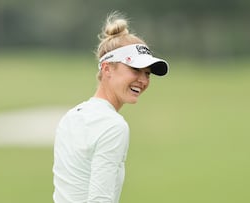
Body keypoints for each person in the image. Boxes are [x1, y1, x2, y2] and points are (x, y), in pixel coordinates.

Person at [52, 11, 169, 203]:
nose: (143, 80)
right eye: (135, 69)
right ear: (107, 69)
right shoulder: (113, 126)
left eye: (147, 73)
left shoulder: (71, 116)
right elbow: (100, 199)